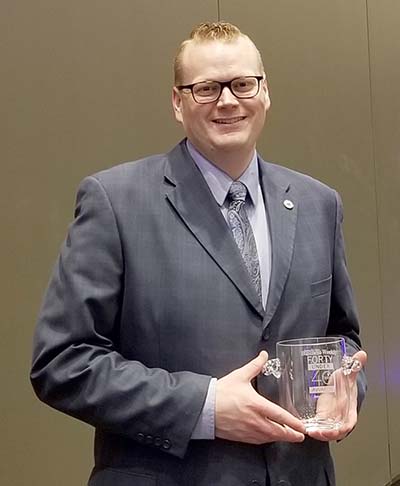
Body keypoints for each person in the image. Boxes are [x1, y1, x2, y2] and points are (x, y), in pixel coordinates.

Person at [31, 21, 367, 486]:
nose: (227, 101)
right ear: (177, 102)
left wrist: (345, 387)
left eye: (242, 84)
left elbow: (343, 338)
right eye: (206, 88)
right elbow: (63, 362)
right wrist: (204, 407)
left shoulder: (319, 204)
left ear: (265, 93)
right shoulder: (115, 202)